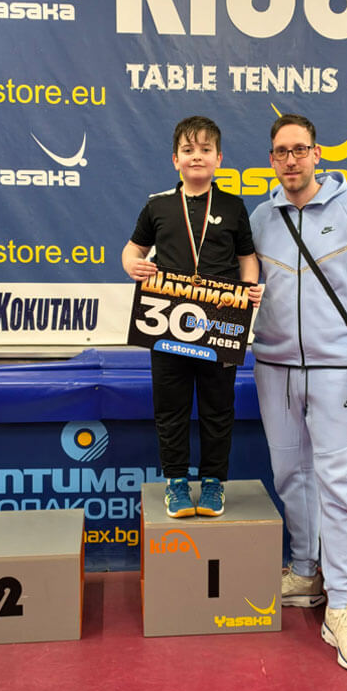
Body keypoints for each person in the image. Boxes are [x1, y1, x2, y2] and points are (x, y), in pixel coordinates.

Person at [250, 114, 347, 671]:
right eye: (280, 152)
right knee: (290, 476)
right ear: (271, 159)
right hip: (274, 368)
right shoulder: (261, 218)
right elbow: (234, 286)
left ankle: (340, 608)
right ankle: (305, 572)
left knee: (336, 488)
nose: (290, 160)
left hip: (340, 371)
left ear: (317, 155)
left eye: (299, 149)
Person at [122, 116, 261, 518]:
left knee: (218, 408)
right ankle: (177, 483)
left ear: (219, 158)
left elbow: (247, 258)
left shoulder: (233, 206)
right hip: (168, 323)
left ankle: (214, 482)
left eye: (204, 150)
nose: (196, 156)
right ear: (175, 160)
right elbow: (132, 250)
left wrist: (250, 289)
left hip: (220, 323)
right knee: (171, 407)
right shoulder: (158, 206)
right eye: (188, 150)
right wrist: (132, 265)